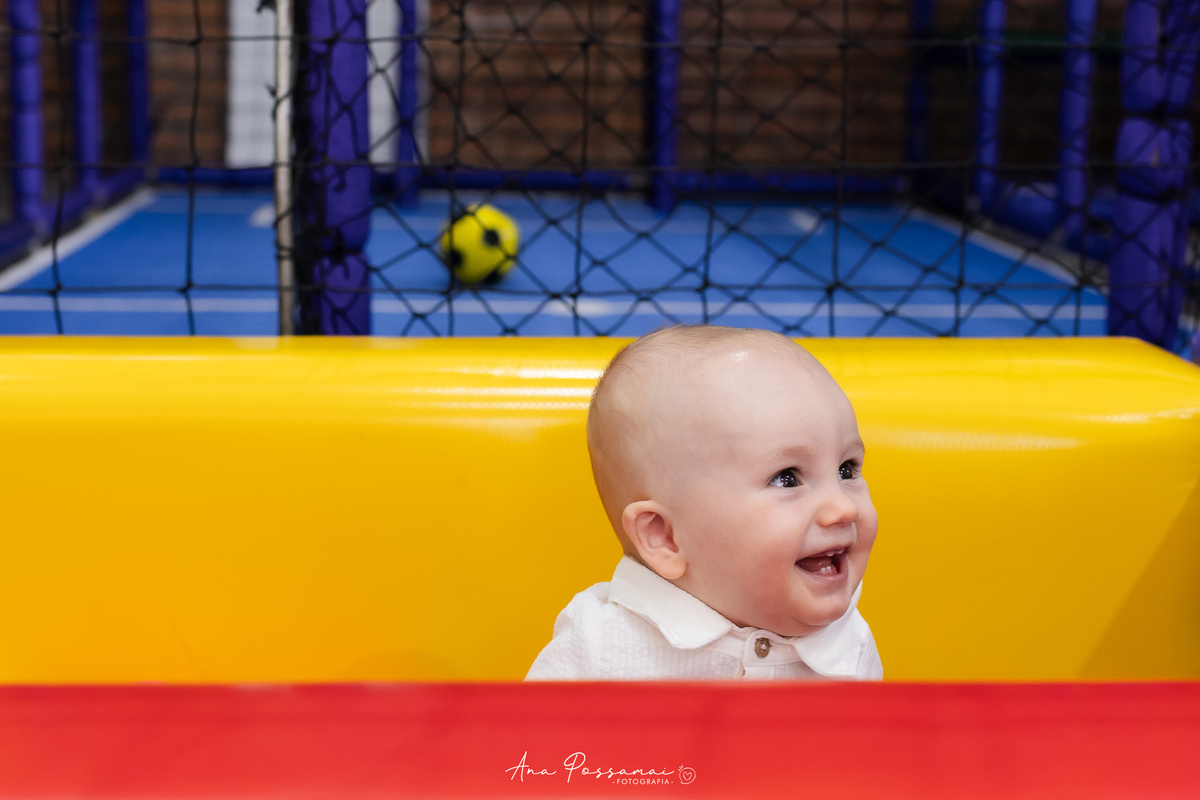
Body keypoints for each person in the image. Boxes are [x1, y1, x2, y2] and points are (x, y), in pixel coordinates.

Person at [526, 325, 882, 680]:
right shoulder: (601, 647)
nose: (844, 508)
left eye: (847, 470)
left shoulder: (848, 643)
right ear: (665, 536)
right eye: (787, 478)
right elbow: (522, 738)